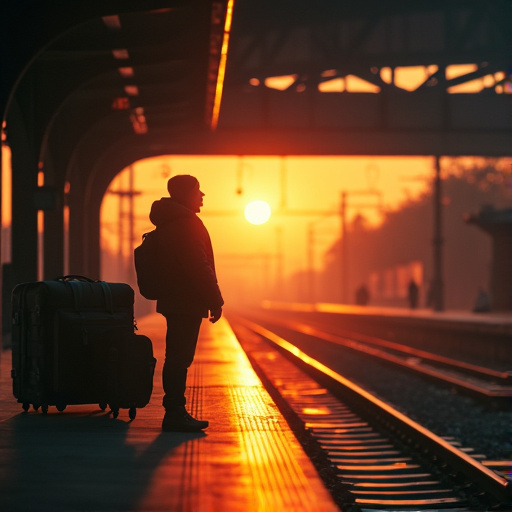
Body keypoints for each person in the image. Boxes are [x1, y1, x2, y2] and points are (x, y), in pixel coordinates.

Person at [149, 175, 224, 432]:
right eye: (197, 190)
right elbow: (198, 266)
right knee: (180, 358)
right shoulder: (185, 224)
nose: (202, 195)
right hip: (185, 301)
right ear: (185, 194)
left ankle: (175, 410)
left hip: (176, 299)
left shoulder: (172, 221)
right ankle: (174, 412)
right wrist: (215, 299)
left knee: (177, 357)